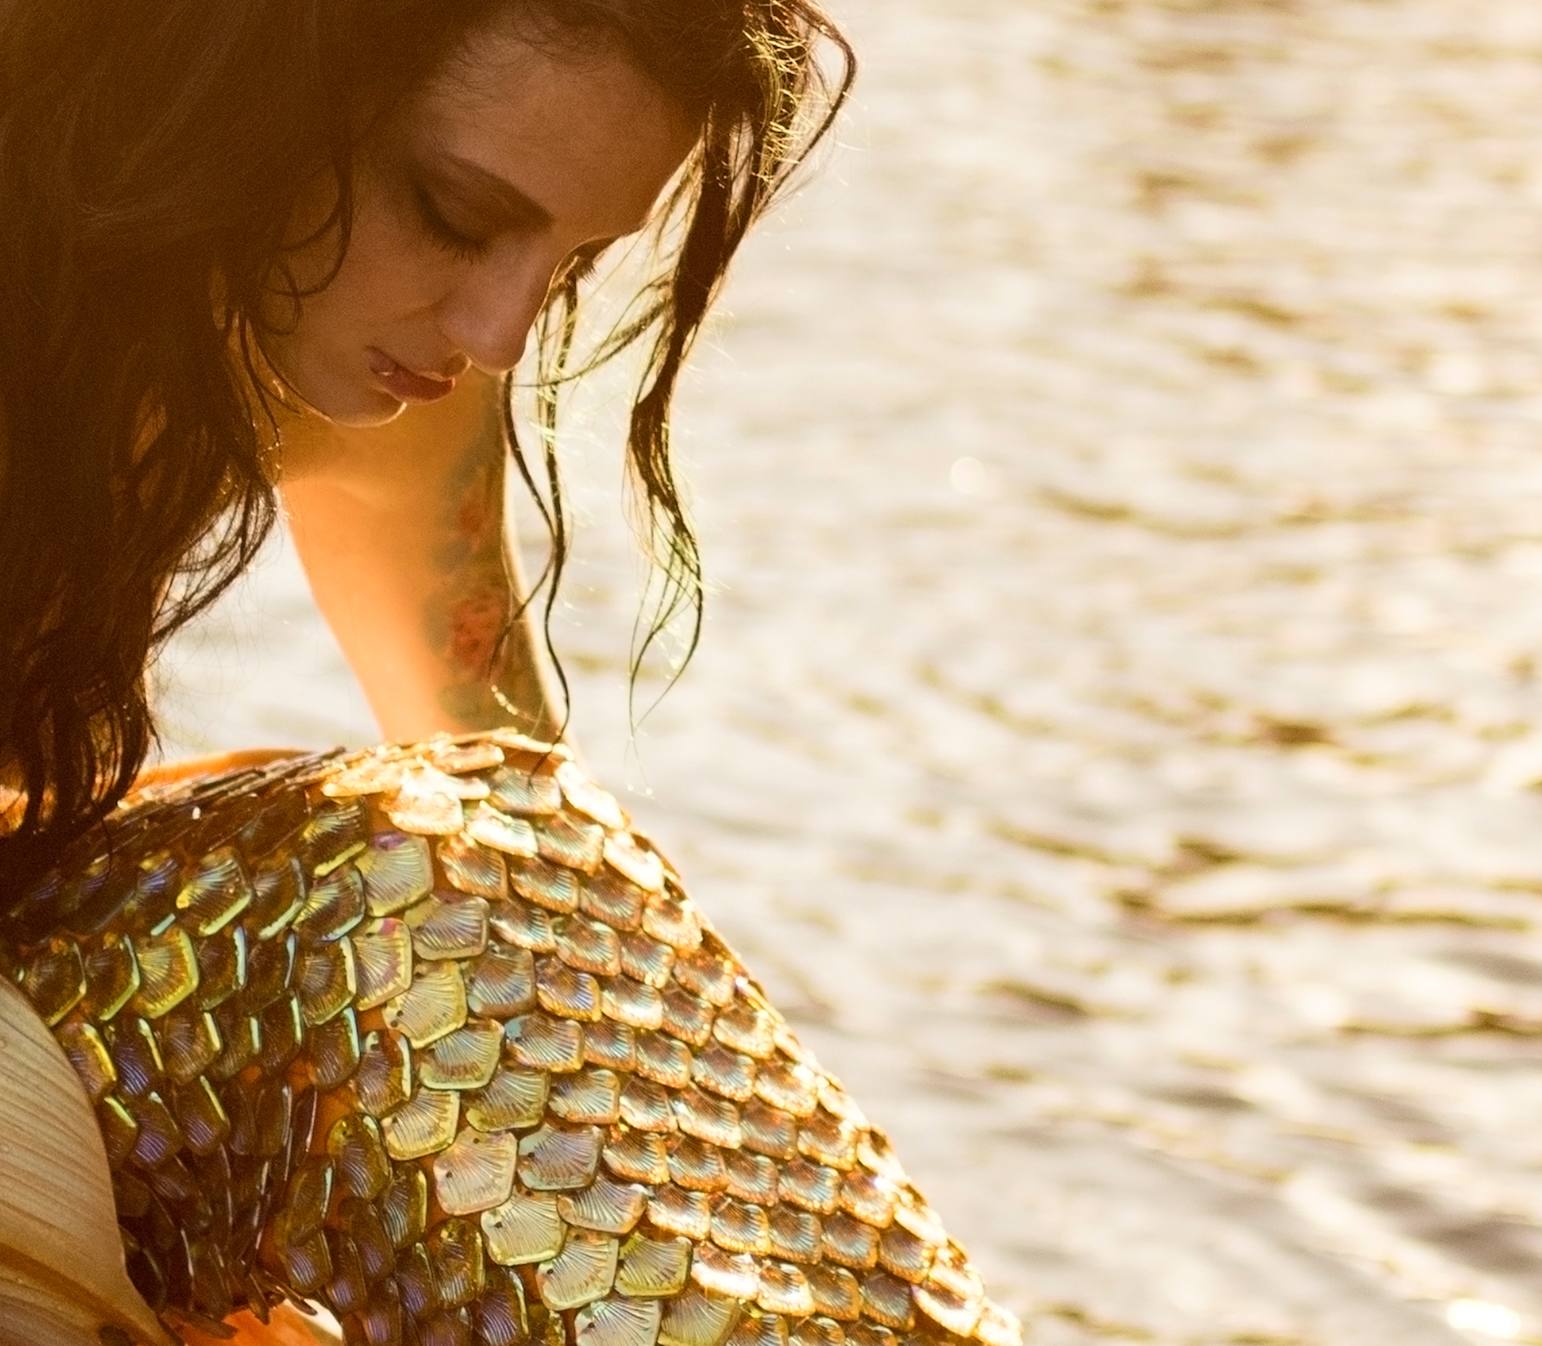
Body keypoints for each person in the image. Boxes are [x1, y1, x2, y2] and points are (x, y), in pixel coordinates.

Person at [0, 4, 1020, 1344]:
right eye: (455, 213)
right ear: (242, 80)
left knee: (480, 872)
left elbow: (516, 828)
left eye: (572, 259)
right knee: (354, 898)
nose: (496, 332)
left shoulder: (378, 363)